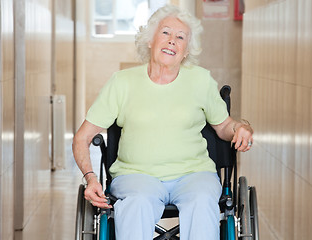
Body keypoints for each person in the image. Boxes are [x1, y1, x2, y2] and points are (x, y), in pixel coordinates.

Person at [73, 5, 253, 240]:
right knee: (136, 202)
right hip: (136, 176)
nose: (172, 41)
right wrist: (91, 178)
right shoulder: (122, 83)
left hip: (194, 174)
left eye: (180, 37)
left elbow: (223, 126)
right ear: (150, 40)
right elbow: (82, 138)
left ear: (186, 50)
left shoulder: (200, 80)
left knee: (202, 199)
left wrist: (241, 128)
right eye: (165, 33)